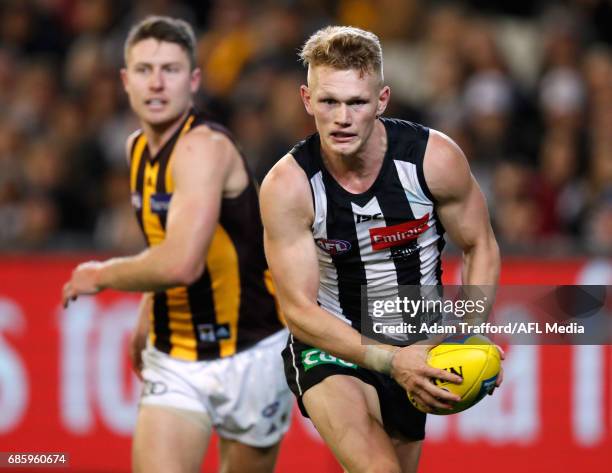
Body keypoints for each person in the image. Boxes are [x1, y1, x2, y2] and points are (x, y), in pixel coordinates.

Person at [260, 26, 502, 473]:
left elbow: (479, 243)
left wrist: (471, 329)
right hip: (331, 344)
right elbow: (296, 308)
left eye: (357, 102)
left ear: (383, 100)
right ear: (307, 99)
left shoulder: (434, 159)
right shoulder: (288, 186)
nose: (343, 118)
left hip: (416, 340)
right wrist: (390, 360)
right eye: (329, 101)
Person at [62, 16, 291, 473]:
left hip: (254, 349)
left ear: (194, 81)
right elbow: (167, 242)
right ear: (126, 81)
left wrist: (99, 274)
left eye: (170, 69)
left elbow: (182, 263)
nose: (157, 82)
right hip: (177, 356)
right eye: (144, 70)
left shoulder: (202, 148)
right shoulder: (135, 150)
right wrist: (149, 310)